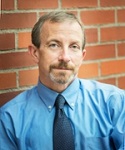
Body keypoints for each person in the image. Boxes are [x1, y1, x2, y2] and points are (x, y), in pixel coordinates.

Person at [0, 11, 125, 150]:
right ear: (35, 53)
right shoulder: (9, 120)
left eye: (74, 47)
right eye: (54, 45)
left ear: (82, 56)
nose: (65, 57)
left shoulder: (115, 104)